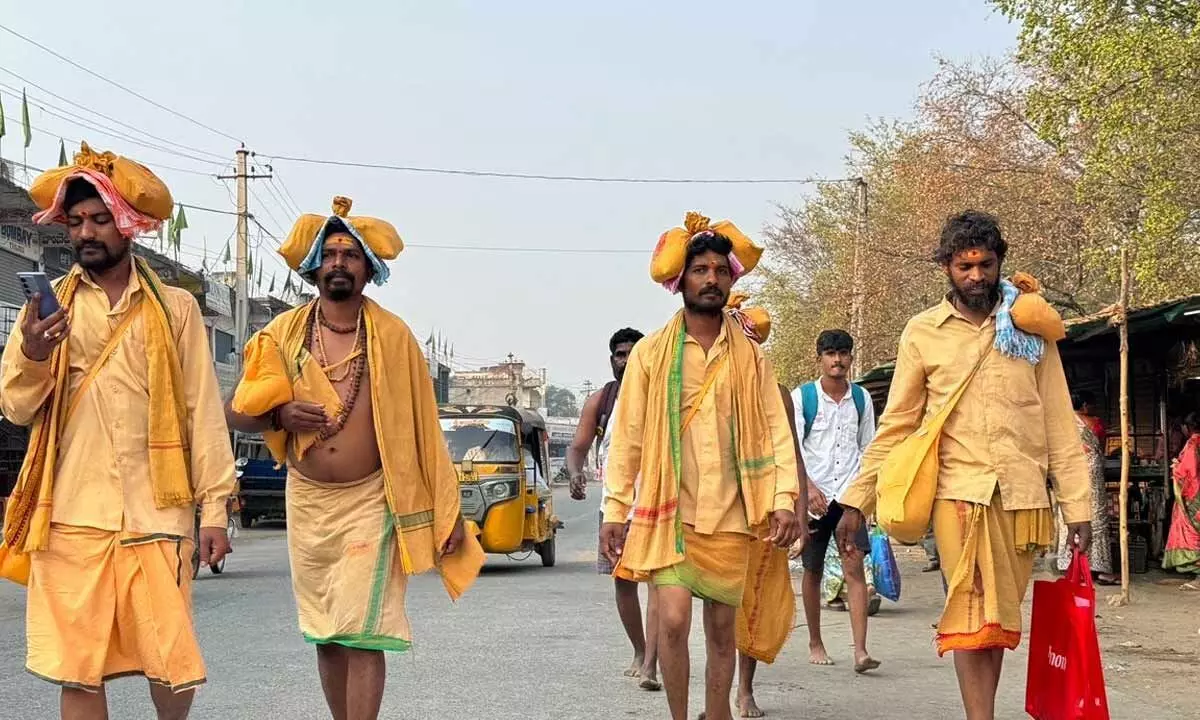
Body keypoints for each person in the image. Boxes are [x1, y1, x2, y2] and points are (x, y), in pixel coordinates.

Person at [0, 142, 235, 720]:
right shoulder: (46, 311)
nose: (87, 232)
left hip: (159, 512)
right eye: (77, 221)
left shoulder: (175, 308)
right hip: (71, 514)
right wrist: (32, 351)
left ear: (128, 225)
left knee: (170, 665)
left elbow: (200, 412)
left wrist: (214, 512)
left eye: (100, 219)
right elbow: (15, 407)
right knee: (78, 671)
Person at [226, 196, 484, 720]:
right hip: (309, 502)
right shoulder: (281, 334)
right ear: (314, 266)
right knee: (327, 633)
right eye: (332, 253)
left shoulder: (393, 336)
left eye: (351, 254)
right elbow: (237, 414)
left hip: (373, 498)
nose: (340, 263)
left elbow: (423, 430)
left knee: (367, 632)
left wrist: (447, 509)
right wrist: (279, 418)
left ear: (370, 269)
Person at [837, 210, 1092, 720]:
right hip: (958, 494)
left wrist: (1077, 505)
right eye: (963, 266)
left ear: (1000, 262)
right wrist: (855, 501)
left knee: (995, 625)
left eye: (985, 264)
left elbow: (1060, 421)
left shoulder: (1030, 328)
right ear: (945, 267)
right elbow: (899, 424)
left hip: (1024, 500)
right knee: (971, 616)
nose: (976, 276)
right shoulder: (923, 332)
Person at [602, 212, 801, 720]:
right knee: (670, 622)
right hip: (669, 514)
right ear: (680, 281)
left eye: (719, 270)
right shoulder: (650, 354)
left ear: (731, 278)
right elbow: (626, 437)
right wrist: (614, 510)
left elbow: (777, 431)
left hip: (733, 515)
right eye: (700, 270)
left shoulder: (753, 358)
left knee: (721, 633)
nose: (711, 279)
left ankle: (718, 713)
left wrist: (782, 499)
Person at [723, 294, 810, 720]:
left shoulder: (776, 392)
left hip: (764, 511)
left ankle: (744, 690)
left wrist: (799, 508)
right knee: (720, 601)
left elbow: (790, 452)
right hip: (715, 510)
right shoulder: (708, 386)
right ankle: (716, 688)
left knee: (754, 600)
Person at [567, 328, 660, 689]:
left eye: (634, 353)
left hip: (657, 502)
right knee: (623, 582)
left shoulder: (661, 394)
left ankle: (652, 663)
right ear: (612, 361)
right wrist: (574, 474)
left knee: (657, 582)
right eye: (620, 354)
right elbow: (578, 446)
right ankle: (640, 650)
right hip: (616, 506)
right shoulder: (602, 400)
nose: (627, 360)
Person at [792, 329, 880, 673]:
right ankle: (815, 642)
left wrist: (859, 499)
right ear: (820, 358)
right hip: (815, 498)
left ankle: (860, 651)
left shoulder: (861, 399)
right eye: (831, 354)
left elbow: (869, 448)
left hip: (849, 498)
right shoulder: (804, 398)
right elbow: (794, 448)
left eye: (843, 353)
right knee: (812, 570)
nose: (837, 360)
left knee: (854, 568)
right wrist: (808, 489)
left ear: (850, 357)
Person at [1055, 392, 1115, 583]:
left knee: (1069, 511)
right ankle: (1099, 565)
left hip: (1069, 467)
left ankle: (1069, 563)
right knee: (1096, 512)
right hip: (1092, 467)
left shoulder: (1062, 421)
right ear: (1085, 406)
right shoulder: (1095, 422)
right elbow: (1101, 446)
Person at [1164, 413, 1200, 575]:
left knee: (1192, 526)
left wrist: (1176, 467)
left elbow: (1188, 470)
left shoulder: (1193, 443)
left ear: (1188, 427)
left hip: (1195, 491)